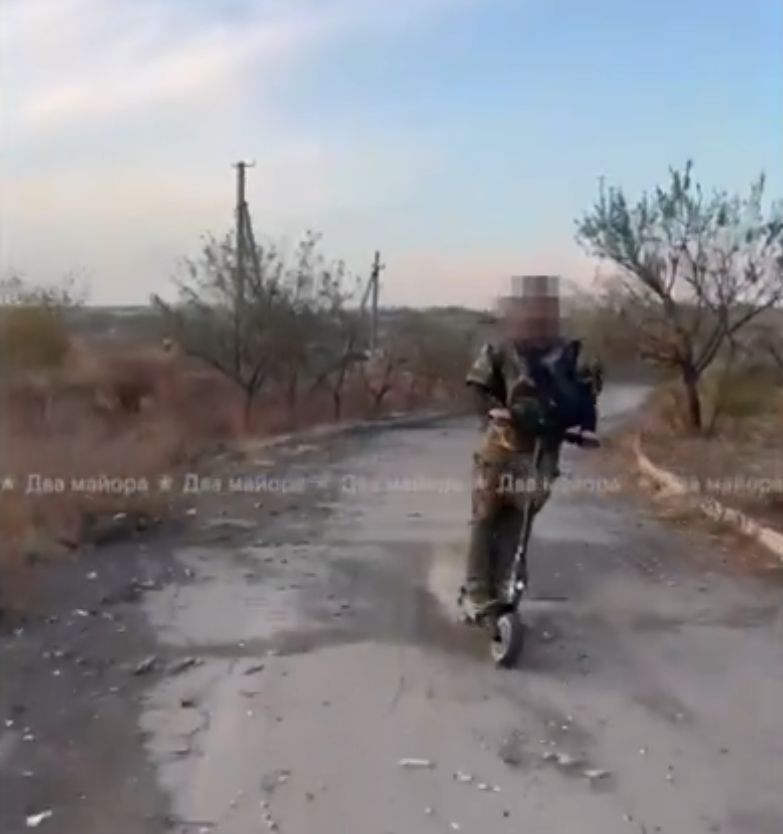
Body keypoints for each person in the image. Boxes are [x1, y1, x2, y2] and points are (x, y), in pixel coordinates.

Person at [461, 275, 603, 618]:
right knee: (486, 515)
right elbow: (477, 386)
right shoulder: (503, 349)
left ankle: (506, 584)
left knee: (519, 519)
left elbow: (586, 398)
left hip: (543, 450)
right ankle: (477, 590)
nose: (539, 314)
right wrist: (493, 411)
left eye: (546, 307)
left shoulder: (570, 354)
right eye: (533, 306)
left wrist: (584, 430)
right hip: (502, 446)